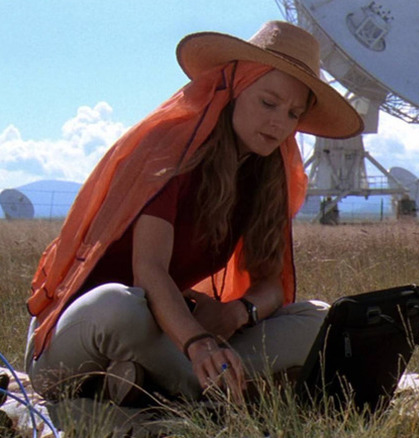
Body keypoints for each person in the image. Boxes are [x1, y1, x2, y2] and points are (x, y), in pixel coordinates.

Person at [23, 21, 363, 406]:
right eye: (268, 103)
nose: (279, 123)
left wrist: (237, 313)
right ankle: (224, 391)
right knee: (121, 306)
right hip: (84, 332)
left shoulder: (266, 175)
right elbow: (148, 271)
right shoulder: (170, 153)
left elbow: (269, 284)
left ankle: (144, 385)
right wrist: (200, 343)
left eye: (292, 114)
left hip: (170, 333)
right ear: (234, 89)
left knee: (320, 320)